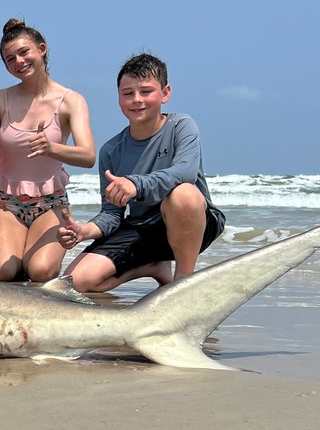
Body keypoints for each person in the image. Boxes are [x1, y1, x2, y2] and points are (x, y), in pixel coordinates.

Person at [58, 53, 225, 291]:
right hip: (142, 227)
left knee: (184, 194)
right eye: (128, 93)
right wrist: (84, 231)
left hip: (193, 224)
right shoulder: (111, 151)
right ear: (118, 98)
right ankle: (153, 266)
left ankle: (184, 281)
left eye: (146, 91)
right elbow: (112, 214)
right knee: (74, 283)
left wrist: (135, 184)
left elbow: (185, 172)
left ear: (165, 93)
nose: (137, 99)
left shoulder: (182, 126)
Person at [0, 19, 96, 282]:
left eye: (24, 52)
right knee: (4, 273)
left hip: (51, 202)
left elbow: (88, 156)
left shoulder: (71, 100)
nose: (19, 61)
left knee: (40, 271)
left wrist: (52, 148)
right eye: (10, 59)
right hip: (6, 202)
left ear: (42, 49)